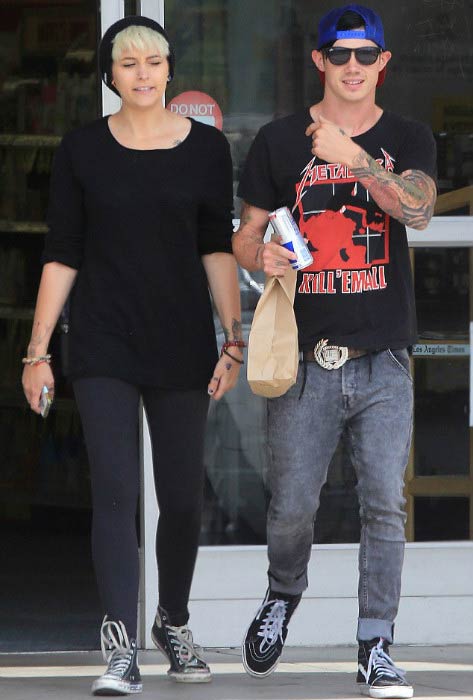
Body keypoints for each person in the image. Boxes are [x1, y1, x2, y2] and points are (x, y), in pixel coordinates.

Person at [22, 15, 244, 697]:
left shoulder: (207, 149)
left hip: (180, 340)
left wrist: (232, 338)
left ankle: (171, 621)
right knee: (116, 493)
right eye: (128, 64)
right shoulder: (82, 150)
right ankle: (118, 643)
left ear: (170, 68)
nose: (143, 73)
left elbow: (216, 248)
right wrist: (36, 352)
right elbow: (63, 251)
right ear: (110, 76)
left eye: (154, 61)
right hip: (103, 342)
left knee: (179, 500)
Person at [232, 4, 437, 699]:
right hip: (304, 356)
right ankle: (282, 593)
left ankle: (375, 642)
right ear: (318, 60)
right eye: (338, 53)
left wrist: (353, 159)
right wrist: (255, 253)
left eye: (365, 55)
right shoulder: (277, 140)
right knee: (291, 505)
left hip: (382, 356)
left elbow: (416, 209)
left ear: (383, 63)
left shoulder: (405, 137)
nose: (352, 66)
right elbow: (246, 233)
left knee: (384, 501)